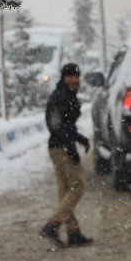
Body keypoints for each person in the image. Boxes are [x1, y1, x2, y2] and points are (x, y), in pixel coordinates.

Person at [39, 63, 93, 247]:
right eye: (69, 76)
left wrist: (79, 138)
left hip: (58, 146)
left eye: (76, 76)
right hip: (60, 148)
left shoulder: (66, 95)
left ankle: (73, 232)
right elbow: (55, 124)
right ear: (63, 78)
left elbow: (65, 125)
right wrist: (70, 146)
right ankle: (52, 224)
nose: (74, 79)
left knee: (65, 190)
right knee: (78, 186)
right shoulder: (61, 97)